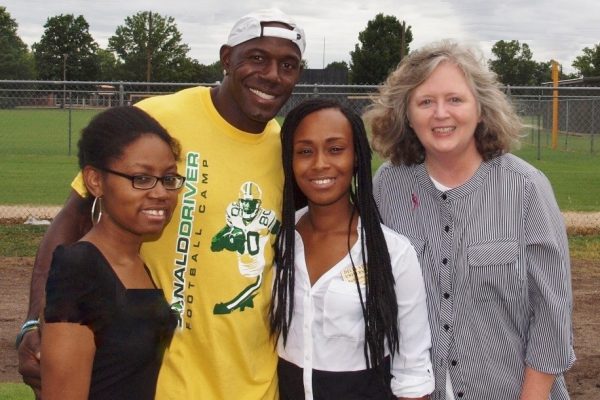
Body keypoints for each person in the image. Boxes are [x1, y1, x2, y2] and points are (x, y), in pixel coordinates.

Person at [17, 8, 305, 399]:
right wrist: (36, 321)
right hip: (157, 380)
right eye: (256, 57)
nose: (272, 75)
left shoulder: (288, 152)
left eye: (288, 65)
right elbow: (73, 218)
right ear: (226, 58)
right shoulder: (157, 119)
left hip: (253, 384)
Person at [364, 40, 575, 400]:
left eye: (455, 99)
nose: (440, 114)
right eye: (425, 102)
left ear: (480, 109)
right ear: (407, 115)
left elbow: (553, 315)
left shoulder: (526, 189)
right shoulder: (388, 185)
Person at [270, 98, 434, 399]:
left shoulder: (393, 253)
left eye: (335, 149)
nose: (320, 163)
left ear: (357, 156)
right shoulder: (275, 241)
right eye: (305, 151)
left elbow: (412, 372)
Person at [41, 106, 182, 399]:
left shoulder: (136, 262)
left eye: (169, 178)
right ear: (95, 180)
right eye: (141, 178)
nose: (161, 193)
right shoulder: (80, 268)